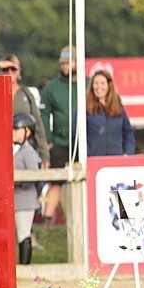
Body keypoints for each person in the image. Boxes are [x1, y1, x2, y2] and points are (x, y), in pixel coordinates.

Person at [0, 53, 49, 168]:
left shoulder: (26, 93)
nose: (10, 72)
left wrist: (45, 154)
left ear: (19, 71)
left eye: (13, 68)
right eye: (5, 69)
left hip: (23, 147)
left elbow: (37, 125)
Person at [40, 46, 80, 223]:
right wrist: (48, 140)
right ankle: (48, 220)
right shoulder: (52, 87)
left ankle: (83, 219)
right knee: (55, 182)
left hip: (82, 143)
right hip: (59, 143)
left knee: (82, 182)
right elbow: (42, 114)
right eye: (62, 63)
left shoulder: (87, 84)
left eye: (68, 62)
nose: (65, 66)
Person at [12, 112, 42, 265]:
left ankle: (25, 266)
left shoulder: (29, 152)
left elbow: (34, 176)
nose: (13, 132)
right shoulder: (16, 150)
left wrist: (16, 181)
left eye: (16, 129)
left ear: (27, 132)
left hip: (25, 199)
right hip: (16, 199)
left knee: (24, 233)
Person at [85, 70, 135, 156]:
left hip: (116, 160)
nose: (99, 86)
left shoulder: (118, 107)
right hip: (94, 160)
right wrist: (88, 153)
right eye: (96, 83)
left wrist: (127, 153)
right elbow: (76, 136)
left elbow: (128, 133)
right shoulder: (85, 108)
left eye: (102, 83)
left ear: (109, 85)